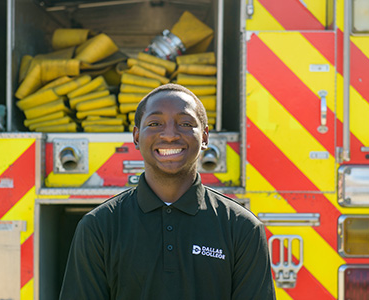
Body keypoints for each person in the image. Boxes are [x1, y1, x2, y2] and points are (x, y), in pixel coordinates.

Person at [59, 83, 276, 300]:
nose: (170, 135)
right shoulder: (99, 227)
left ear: (205, 137)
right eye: (155, 123)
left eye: (185, 123)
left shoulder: (242, 229)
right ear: (136, 136)